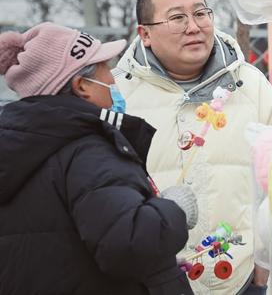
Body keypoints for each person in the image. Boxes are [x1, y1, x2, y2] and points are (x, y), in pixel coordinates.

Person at [113, 0, 272, 295]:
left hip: (242, 278)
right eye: (177, 18)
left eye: (200, 13)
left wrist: (264, 263)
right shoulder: (119, 95)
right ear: (145, 34)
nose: (193, 27)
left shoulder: (251, 85)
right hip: (150, 281)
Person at [0, 22, 196, 295]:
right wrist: (173, 209)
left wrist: (157, 270)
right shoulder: (88, 150)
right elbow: (128, 245)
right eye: (104, 69)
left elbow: (62, 251)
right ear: (82, 86)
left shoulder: (23, 148)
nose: (113, 80)